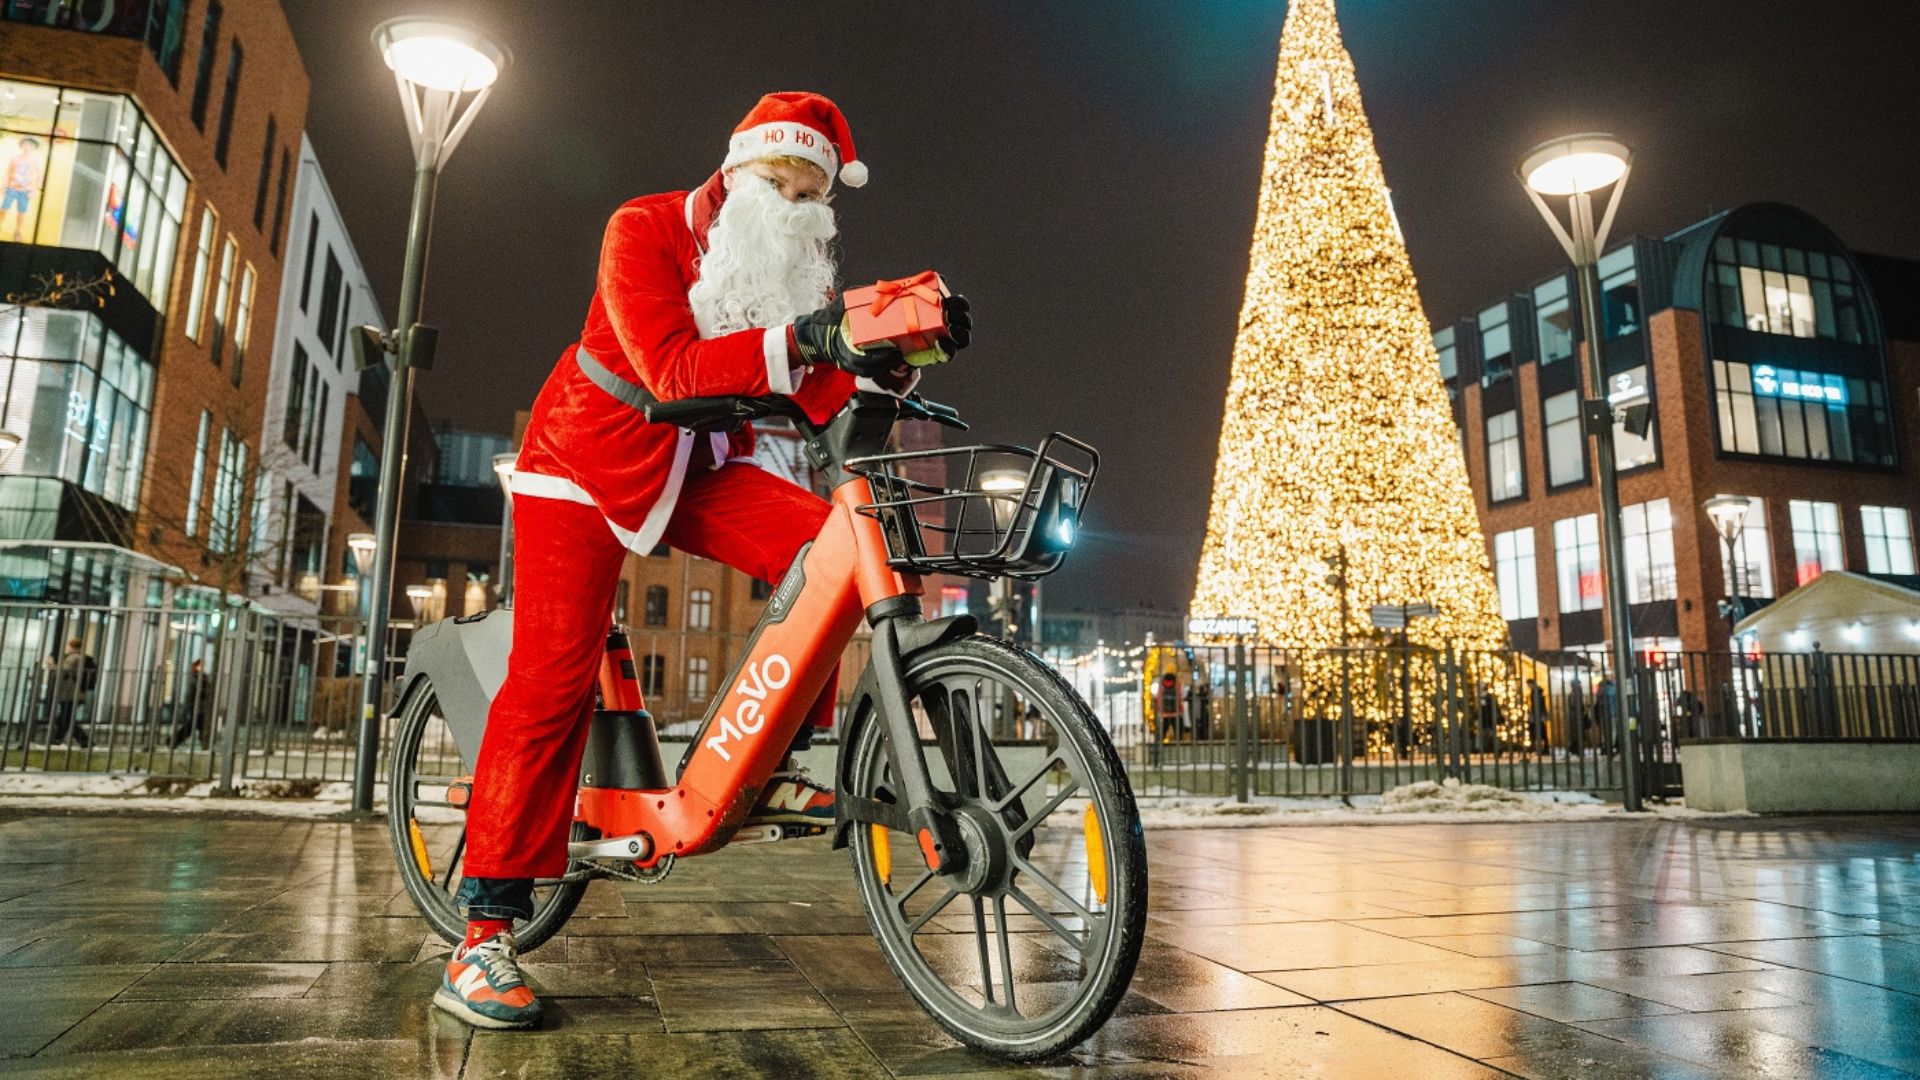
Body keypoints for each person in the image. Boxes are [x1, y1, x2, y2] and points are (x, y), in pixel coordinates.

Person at [435, 93, 972, 1032]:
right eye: (781, 182)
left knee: (830, 550)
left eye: (812, 192)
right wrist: (812, 339)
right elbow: (675, 369)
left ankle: (773, 763)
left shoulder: (786, 264)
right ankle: (482, 934)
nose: (796, 202)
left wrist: (889, 352)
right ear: (736, 171)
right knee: (555, 676)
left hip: (694, 467)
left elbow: (809, 388)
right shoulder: (640, 226)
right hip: (585, 458)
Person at [45, 638, 95, 748]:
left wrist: (51, 664)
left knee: (65, 718)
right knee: (65, 718)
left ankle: (82, 741)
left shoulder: (73, 657)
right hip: (76, 693)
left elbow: (63, 671)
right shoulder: (81, 657)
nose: (66, 647)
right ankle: (59, 740)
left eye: (68, 645)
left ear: (71, 646)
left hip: (70, 693)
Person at [3, 136, 43, 242]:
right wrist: (3, 186)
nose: (27, 147)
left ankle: (17, 231)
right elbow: (7, 173)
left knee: (21, 212)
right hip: (11, 189)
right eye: (25, 144)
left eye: (30, 145)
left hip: (25, 191)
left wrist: (35, 190)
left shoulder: (35, 161)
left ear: (34, 147)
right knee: (3, 208)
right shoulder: (15, 158)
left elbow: (40, 176)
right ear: (21, 146)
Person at [169, 659, 214, 750]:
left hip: (201, 707)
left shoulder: (202, 677)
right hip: (198, 707)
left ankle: (172, 742)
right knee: (195, 727)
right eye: (200, 665)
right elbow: (198, 692)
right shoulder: (197, 678)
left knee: (195, 727)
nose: (202, 667)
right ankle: (205, 746)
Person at [1527, 679, 1549, 756]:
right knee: (1540, 732)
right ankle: (1543, 748)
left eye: (1529, 685)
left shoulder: (1536, 693)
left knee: (1539, 732)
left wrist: (1534, 715)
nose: (1529, 686)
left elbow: (1539, 705)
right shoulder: (1537, 692)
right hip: (1538, 715)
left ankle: (1542, 748)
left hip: (1538, 715)